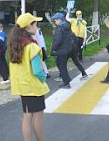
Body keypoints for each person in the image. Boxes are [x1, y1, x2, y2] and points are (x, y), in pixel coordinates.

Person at [8, 13, 49, 141]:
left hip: (23, 87)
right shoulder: (32, 47)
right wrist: (43, 78)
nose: (36, 25)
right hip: (34, 87)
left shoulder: (15, 45)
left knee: (27, 116)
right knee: (38, 116)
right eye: (35, 23)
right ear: (28, 27)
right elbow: (37, 71)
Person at [51, 13, 73, 89]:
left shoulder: (60, 28)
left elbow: (58, 40)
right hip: (66, 48)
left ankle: (66, 83)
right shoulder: (67, 26)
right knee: (59, 63)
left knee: (62, 66)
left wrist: (53, 48)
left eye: (55, 20)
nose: (55, 22)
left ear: (59, 20)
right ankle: (67, 78)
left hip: (61, 49)